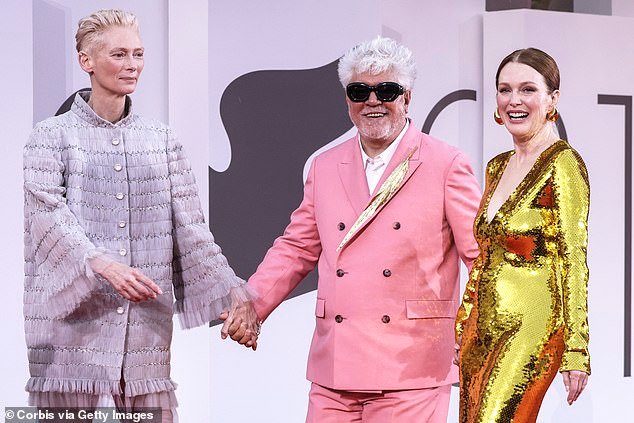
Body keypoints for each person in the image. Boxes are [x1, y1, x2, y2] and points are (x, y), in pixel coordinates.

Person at [220, 36, 481, 423]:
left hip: (414, 368)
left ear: (407, 98)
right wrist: (252, 307)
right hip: (336, 367)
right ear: (347, 100)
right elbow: (296, 248)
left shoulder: (446, 164)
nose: (372, 101)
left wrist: (474, 329)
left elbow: (481, 257)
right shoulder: (325, 166)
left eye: (386, 90)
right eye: (360, 91)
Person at [22, 9, 250, 423]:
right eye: (119, 54)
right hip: (70, 332)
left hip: (144, 327)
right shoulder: (50, 137)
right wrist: (103, 264)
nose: (132, 66)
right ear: (86, 61)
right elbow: (47, 215)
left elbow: (192, 227)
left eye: (138, 54)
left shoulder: (161, 140)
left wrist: (234, 291)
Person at [454, 48, 590, 423]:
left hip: (532, 330)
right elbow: (485, 257)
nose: (514, 100)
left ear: (552, 100)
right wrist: (465, 321)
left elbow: (573, 257)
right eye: (505, 89)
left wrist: (577, 348)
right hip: (481, 332)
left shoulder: (563, 163)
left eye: (528, 89)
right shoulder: (497, 167)